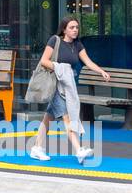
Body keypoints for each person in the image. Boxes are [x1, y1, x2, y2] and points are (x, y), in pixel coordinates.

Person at [29, 16, 109, 162]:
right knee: (68, 117)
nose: (75, 30)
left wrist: (101, 71)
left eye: (77, 27)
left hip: (67, 86)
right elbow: (44, 61)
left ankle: (36, 148)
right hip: (55, 85)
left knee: (48, 117)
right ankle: (79, 150)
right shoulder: (55, 40)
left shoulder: (78, 45)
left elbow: (88, 62)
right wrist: (61, 68)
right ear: (64, 29)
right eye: (71, 27)